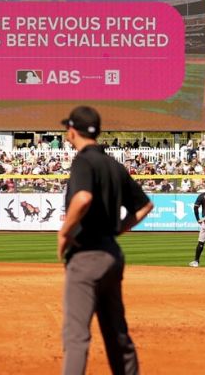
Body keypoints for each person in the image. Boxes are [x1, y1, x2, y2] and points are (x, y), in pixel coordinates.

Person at [57, 106, 153, 375]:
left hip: (86, 255)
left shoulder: (84, 161)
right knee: (117, 334)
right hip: (112, 255)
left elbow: (83, 198)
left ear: (72, 131)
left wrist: (64, 232)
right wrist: (118, 230)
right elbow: (145, 206)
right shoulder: (113, 165)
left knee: (76, 337)